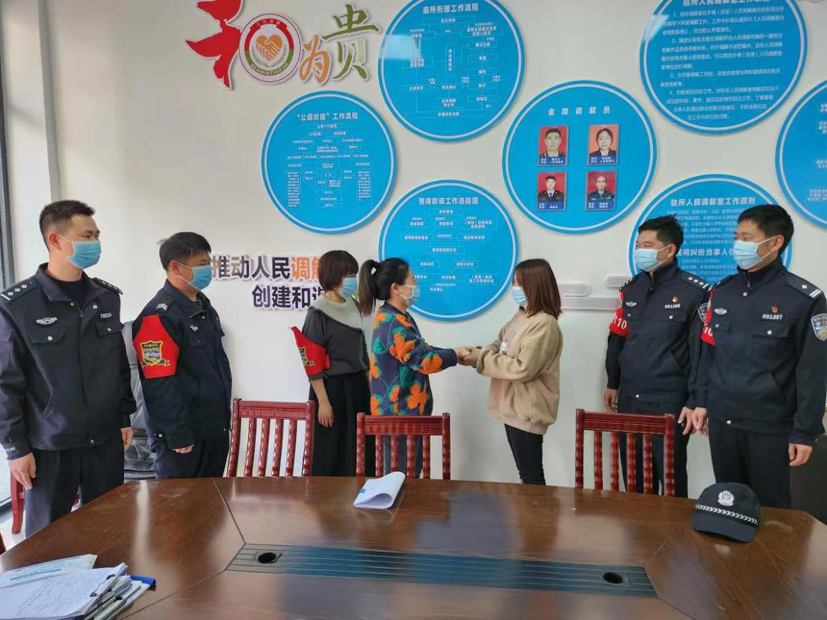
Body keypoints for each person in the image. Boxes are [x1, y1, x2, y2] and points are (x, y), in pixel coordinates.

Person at [0, 200, 135, 536]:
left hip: (105, 438)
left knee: (109, 531)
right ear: (55, 240)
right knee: (48, 539)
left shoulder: (106, 297)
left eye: (97, 235)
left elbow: (117, 363)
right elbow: (6, 383)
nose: (95, 243)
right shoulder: (17, 305)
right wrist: (16, 448)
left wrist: (123, 417)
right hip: (51, 444)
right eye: (87, 236)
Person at [691, 205, 827, 508]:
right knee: (728, 506)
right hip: (723, 422)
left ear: (775, 242)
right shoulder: (722, 292)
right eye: (736, 237)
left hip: (771, 427)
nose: (738, 245)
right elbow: (708, 353)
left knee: (772, 511)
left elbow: (813, 371)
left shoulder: (803, 299)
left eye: (747, 238)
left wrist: (804, 432)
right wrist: (702, 401)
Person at [604, 216, 709, 497]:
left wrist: (695, 399)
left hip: (669, 398)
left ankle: (674, 527)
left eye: (648, 245)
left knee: (670, 476)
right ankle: (636, 527)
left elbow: (700, 351)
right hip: (630, 396)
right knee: (633, 475)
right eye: (639, 245)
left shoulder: (694, 292)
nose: (641, 251)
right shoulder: (631, 288)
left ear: (670, 250)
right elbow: (618, 338)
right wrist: (613, 382)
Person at [132, 233, 232, 479]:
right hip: (183, 438)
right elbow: (160, 382)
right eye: (201, 264)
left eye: (208, 262)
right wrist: (177, 433)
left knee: (212, 500)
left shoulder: (204, 308)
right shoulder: (159, 316)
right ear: (176, 267)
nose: (208, 269)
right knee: (179, 503)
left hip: (213, 429)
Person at [357, 258, 469, 476]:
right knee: (399, 480)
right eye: (413, 280)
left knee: (408, 478)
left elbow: (420, 350)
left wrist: (454, 353)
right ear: (396, 288)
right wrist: (454, 355)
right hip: (398, 417)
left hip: (405, 415)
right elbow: (424, 361)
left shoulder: (398, 317)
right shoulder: (393, 322)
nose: (417, 284)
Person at [459, 259, 563, 485]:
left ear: (534, 285)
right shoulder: (523, 315)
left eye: (518, 283)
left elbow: (522, 368)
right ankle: (529, 509)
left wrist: (479, 358)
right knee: (526, 475)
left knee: (531, 477)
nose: (514, 288)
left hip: (526, 412)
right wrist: (476, 353)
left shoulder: (544, 324)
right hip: (512, 409)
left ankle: (536, 510)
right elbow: (500, 344)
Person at [295, 250, 374, 476]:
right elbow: (311, 362)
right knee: (331, 451)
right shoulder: (317, 313)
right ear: (332, 275)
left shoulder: (354, 304)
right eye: (348, 275)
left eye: (354, 275)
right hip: (331, 391)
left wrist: (370, 387)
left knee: (360, 451)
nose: (353, 280)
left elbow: (362, 349)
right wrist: (323, 402)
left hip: (357, 387)